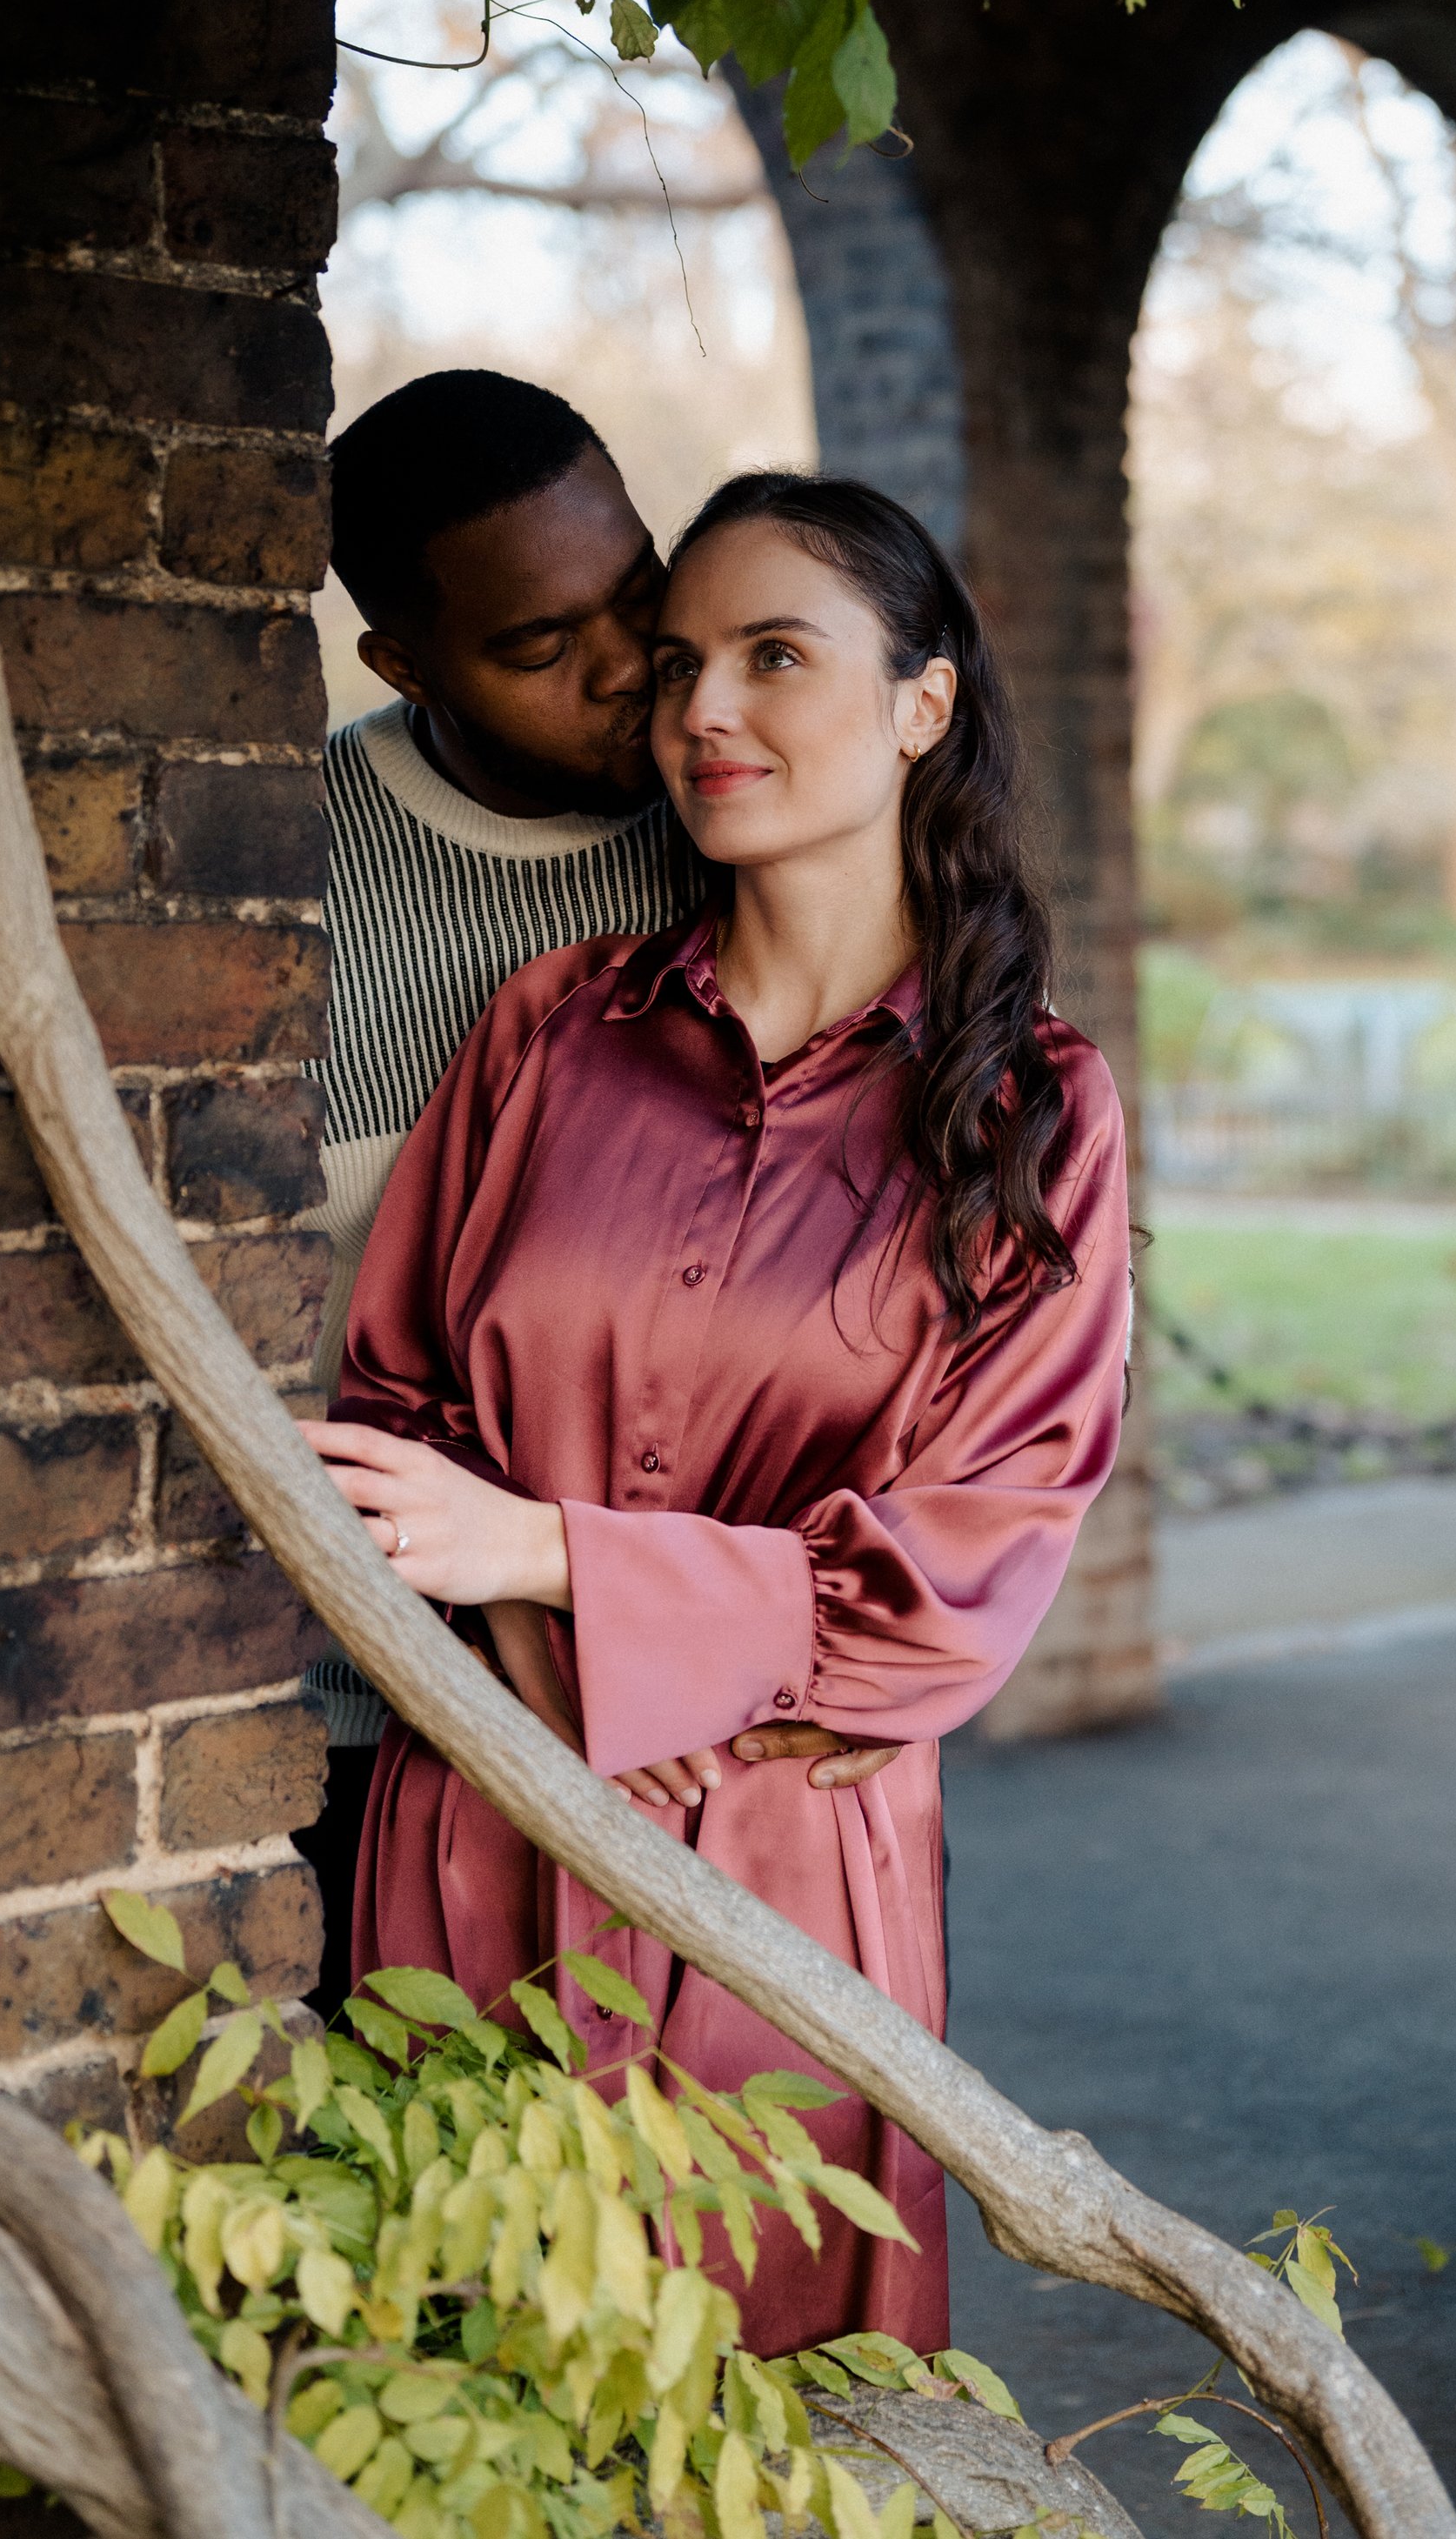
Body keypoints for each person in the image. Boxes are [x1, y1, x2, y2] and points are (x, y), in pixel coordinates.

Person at [304, 475, 1132, 2353]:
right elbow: (392, 1412)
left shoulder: (1034, 1112)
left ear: (920, 702)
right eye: (680, 663)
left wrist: (547, 1550)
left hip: (782, 1873)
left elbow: (959, 1578)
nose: (704, 711)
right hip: (486, 1804)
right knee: (453, 2382)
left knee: (755, 2394)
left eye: (776, 656)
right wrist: (552, 1643)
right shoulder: (546, 1027)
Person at [298, 375, 859, 2004]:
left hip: (714, 1699)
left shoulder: (741, 825)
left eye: (638, 598)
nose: (629, 674)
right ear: (405, 662)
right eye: (543, 651)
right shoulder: (285, 869)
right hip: (372, 1704)